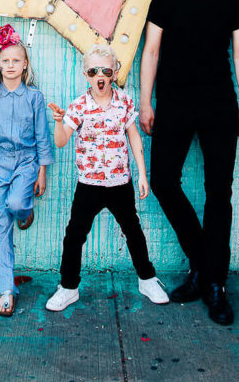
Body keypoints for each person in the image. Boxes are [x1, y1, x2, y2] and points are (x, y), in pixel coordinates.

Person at [139, 0, 239, 326]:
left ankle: (216, 286)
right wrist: (144, 102)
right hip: (172, 105)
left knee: (217, 193)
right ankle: (203, 264)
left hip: (220, 105)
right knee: (164, 182)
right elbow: (150, 51)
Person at [45, 44, 169, 311]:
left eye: (105, 70)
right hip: (88, 184)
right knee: (74, 235)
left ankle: (147, 280)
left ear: (114, 73)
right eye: (93, 71)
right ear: (85, 74)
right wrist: (58, 121)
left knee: (133, 231)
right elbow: (61, 141)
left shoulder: (124, 101)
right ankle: (68, 287)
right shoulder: (78, 106)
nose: (99, 76)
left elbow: (133, 136)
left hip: (119, 183)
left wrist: (142, 175)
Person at [0, 24, 54, 317]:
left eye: (15, 61)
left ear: (25, 64)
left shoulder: (34, 97)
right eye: (5, 61)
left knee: (17, 204)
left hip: (27, 162)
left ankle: (25, 211)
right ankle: (6, 290)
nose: (10, 65)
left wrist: (42, 171)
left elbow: (43, 136)